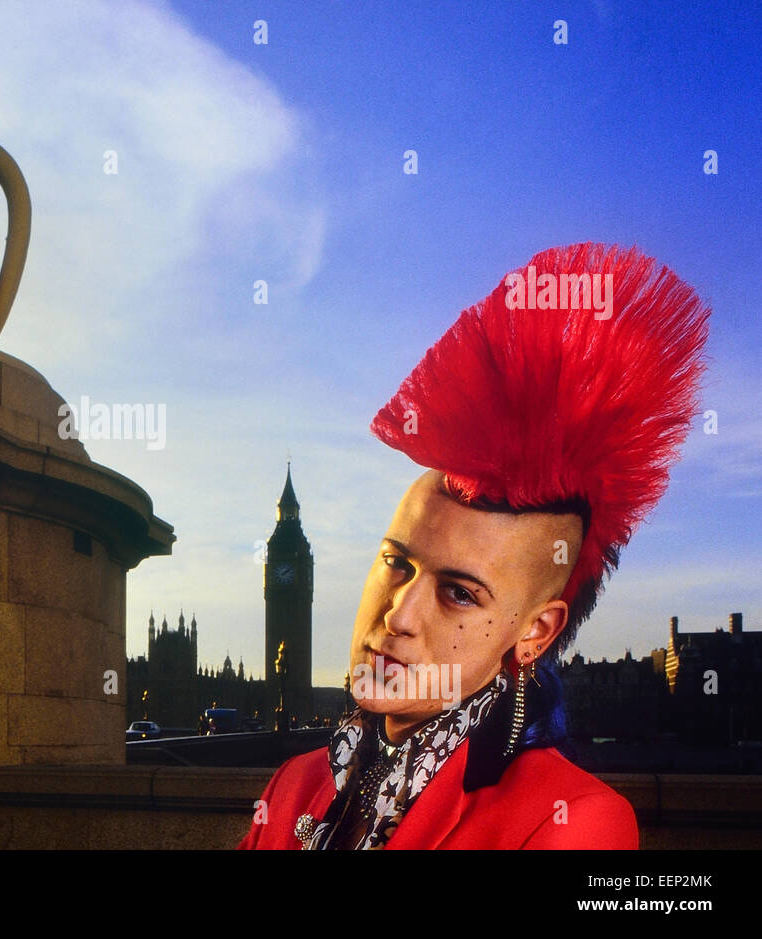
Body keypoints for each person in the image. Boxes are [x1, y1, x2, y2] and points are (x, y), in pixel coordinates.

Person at [239, 243, 710, 850]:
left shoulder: (573, 820)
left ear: (536, 632)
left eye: (459, 592)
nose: (397, 615)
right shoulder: (290, 788)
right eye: (396, 563)